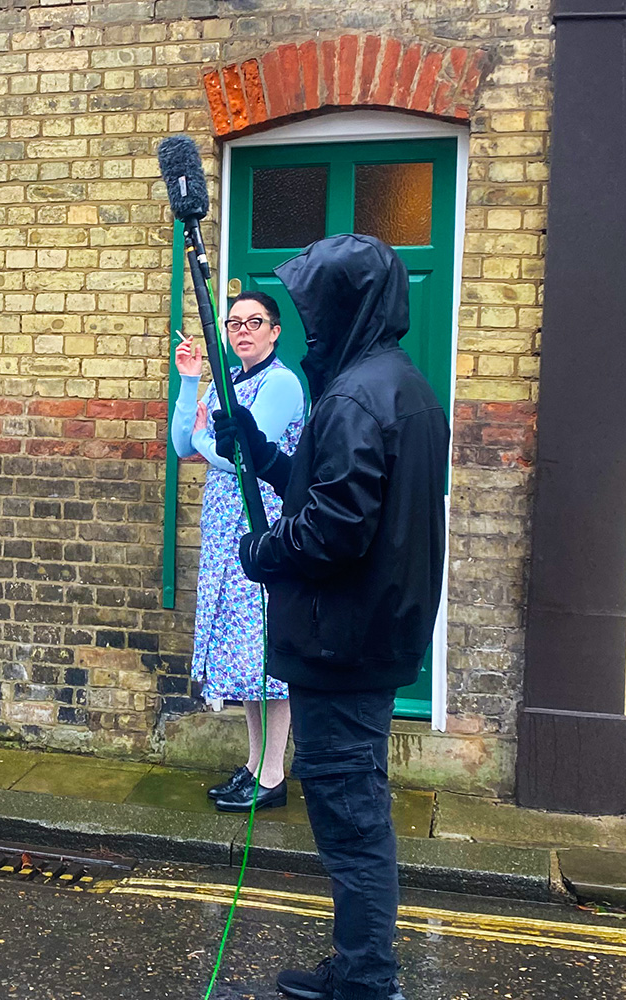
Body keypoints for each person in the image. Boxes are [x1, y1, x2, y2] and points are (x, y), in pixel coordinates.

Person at [221, 235, 448, 1000]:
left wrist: (263, 551)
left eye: (315, 310)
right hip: (370, 632)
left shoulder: (356, 396)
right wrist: (259, 452)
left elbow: (333, 530)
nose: (309, 327)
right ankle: (361, 964)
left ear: (345, 307)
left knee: (349, 813)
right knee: (355, 801)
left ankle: (365, 976)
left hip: (343, 638)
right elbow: (336, 496)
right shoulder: (400, 386)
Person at [169, 291, 306, 812]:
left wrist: (207, 436)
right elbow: (184, 444)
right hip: (227, 534)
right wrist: (188, 381)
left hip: (263, 529)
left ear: (275, 331)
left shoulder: (282, 383)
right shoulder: (228, 381)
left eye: (255, 322)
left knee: (266, 656)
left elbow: (248, 457)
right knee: (246, 660)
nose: (243, 330)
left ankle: (273, 777)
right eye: (234, 322)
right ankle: (255, 766)